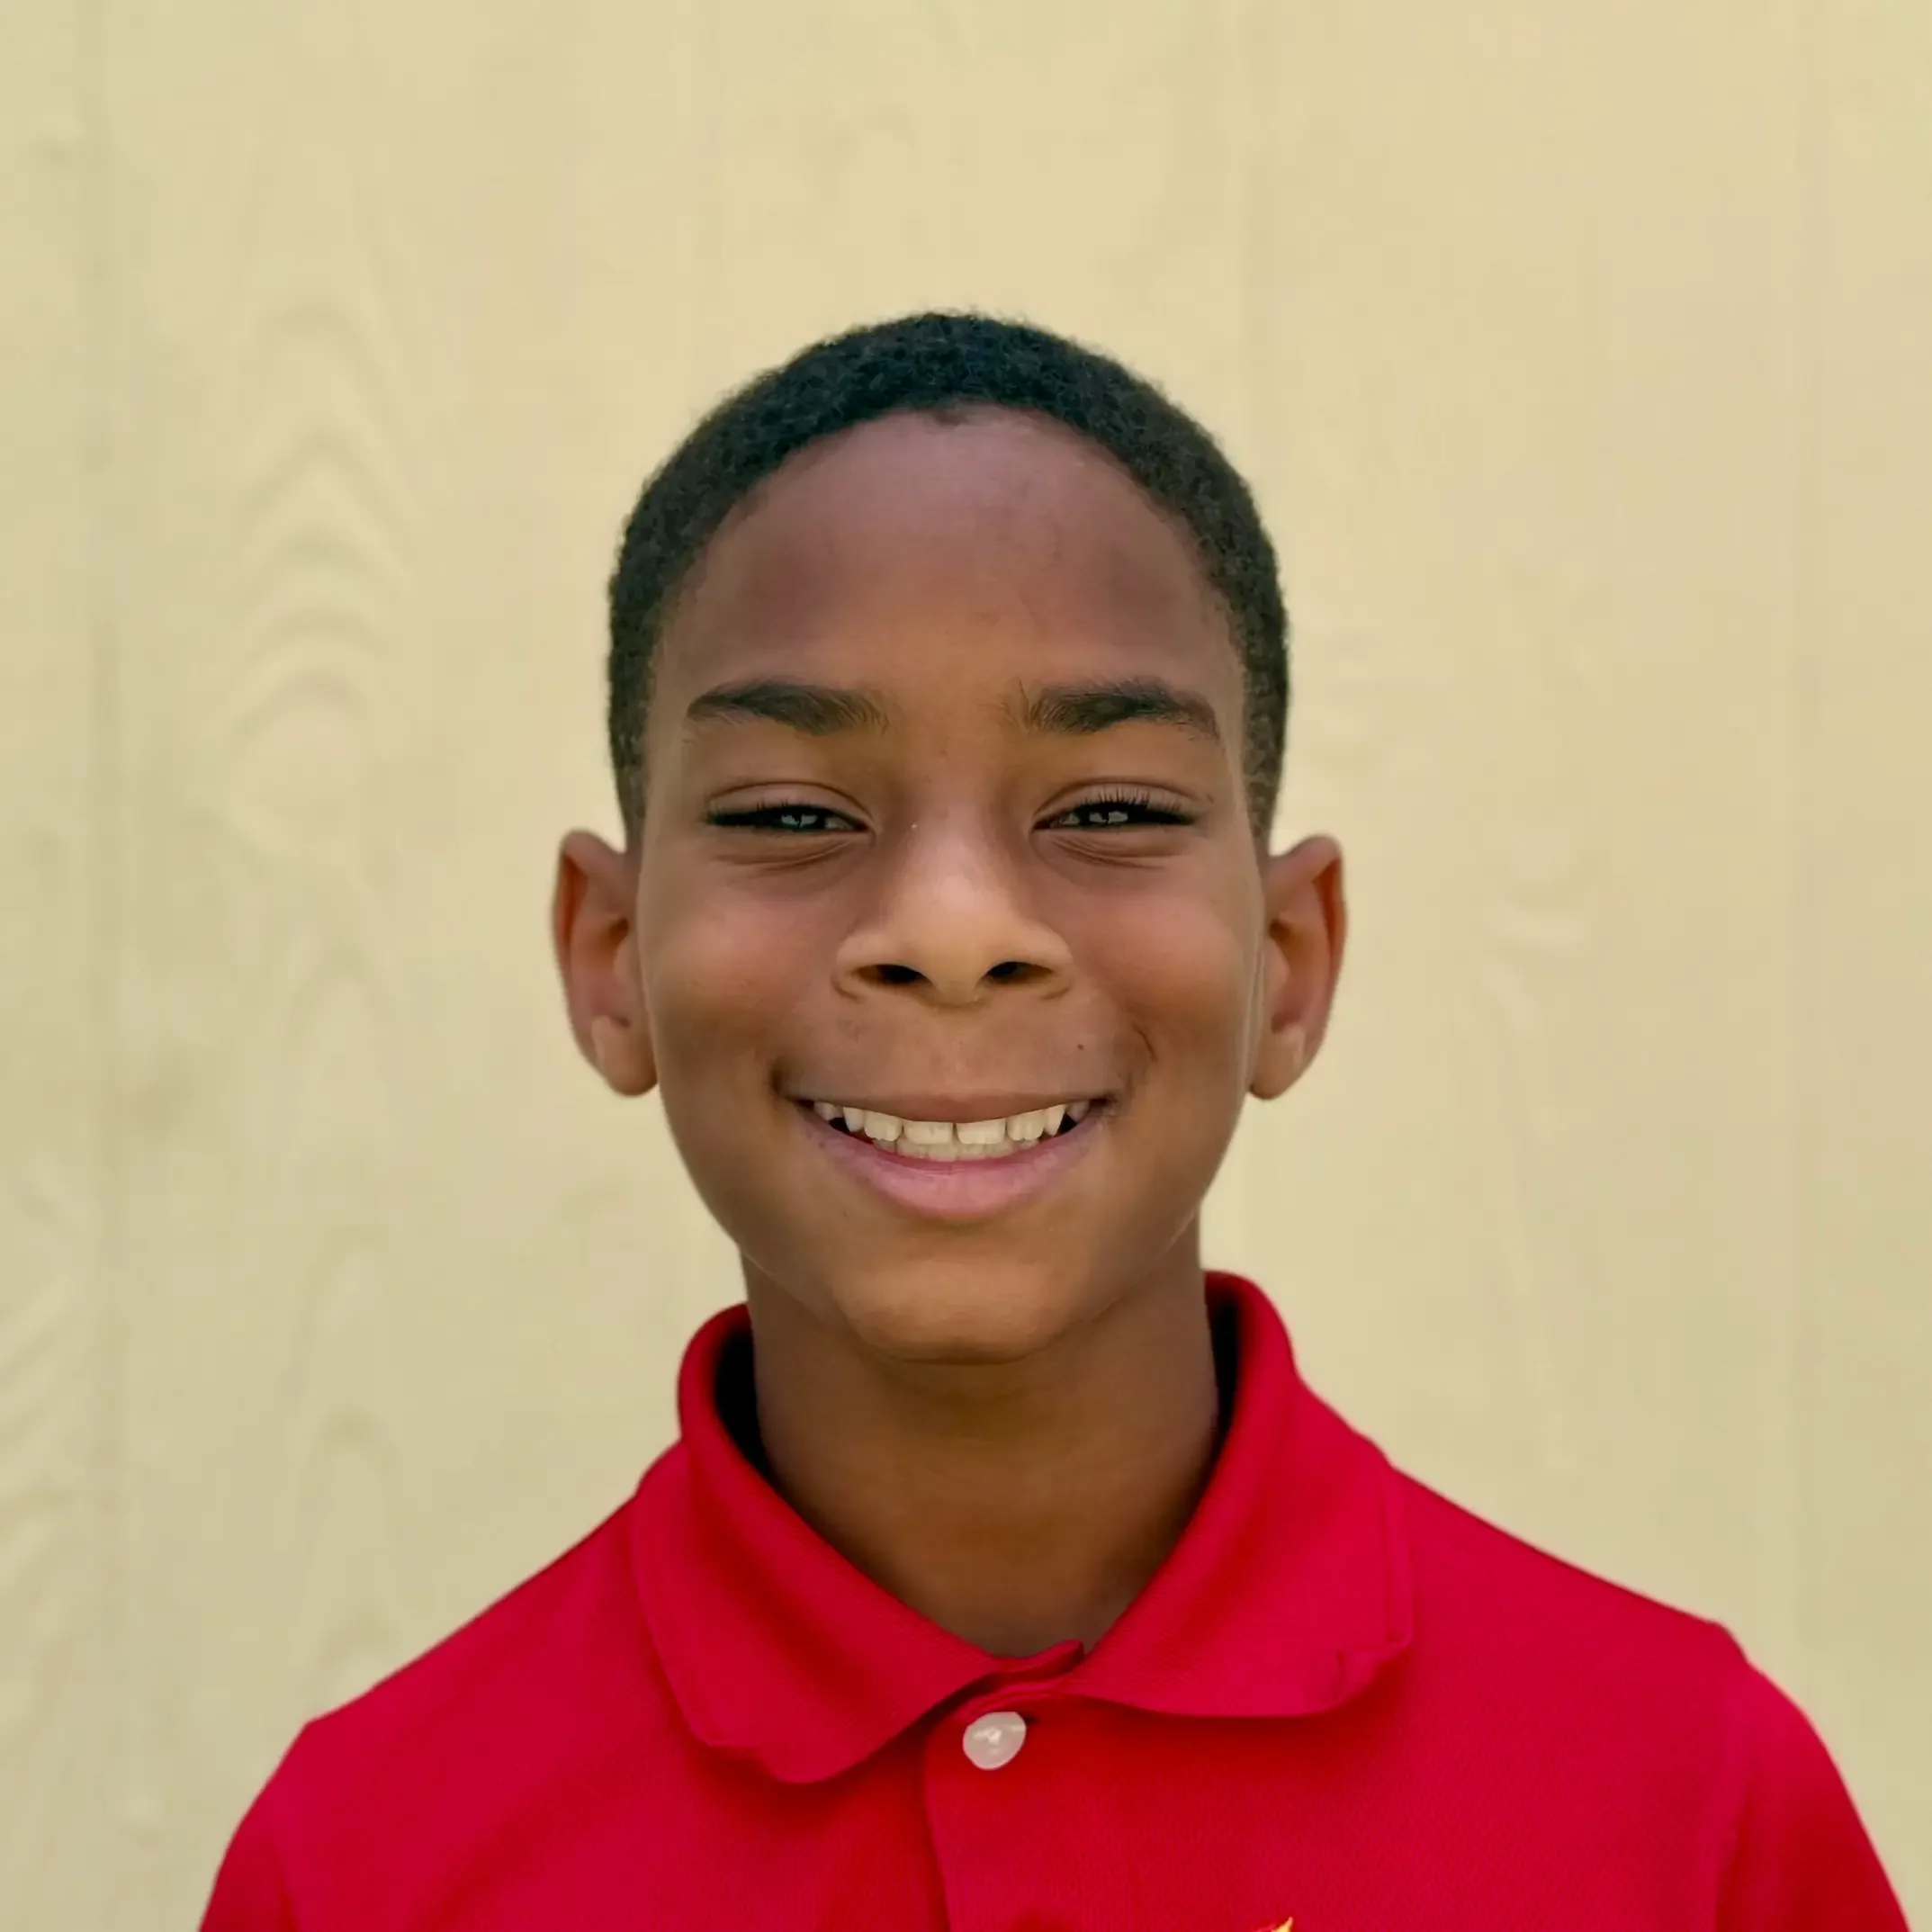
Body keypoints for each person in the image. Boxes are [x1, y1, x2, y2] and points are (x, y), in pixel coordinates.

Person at [201, 314, 1908, 1929]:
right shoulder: (367, 1857)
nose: (952, 925)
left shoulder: (1683, 1802)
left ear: (1289, 960)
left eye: (1106, 807)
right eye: (794, 810)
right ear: (610, 958)